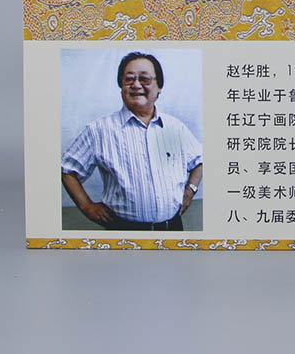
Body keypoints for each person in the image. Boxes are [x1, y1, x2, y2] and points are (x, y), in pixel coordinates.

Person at [61, 51, 203, 231]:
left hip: (172, 228)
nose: (136, 85)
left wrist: (190, 190)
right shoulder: (99, 130)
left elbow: (199, 160)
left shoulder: (176, 128)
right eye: (129, 79)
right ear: (121, 86)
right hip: (124, 230)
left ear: (159, 87)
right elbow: (67, 170)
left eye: (144, 79)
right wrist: (87, 206)